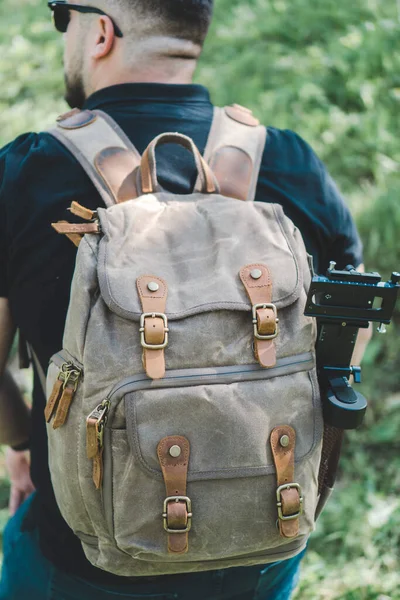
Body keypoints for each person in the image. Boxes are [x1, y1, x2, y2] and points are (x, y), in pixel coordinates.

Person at [0, 0, 369, 598]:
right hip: (264, 534)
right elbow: (346, 340)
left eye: (59, 13)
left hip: (80, 554)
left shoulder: (25, 172)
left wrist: (23, 445)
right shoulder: (291, 162)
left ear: (99, 32)